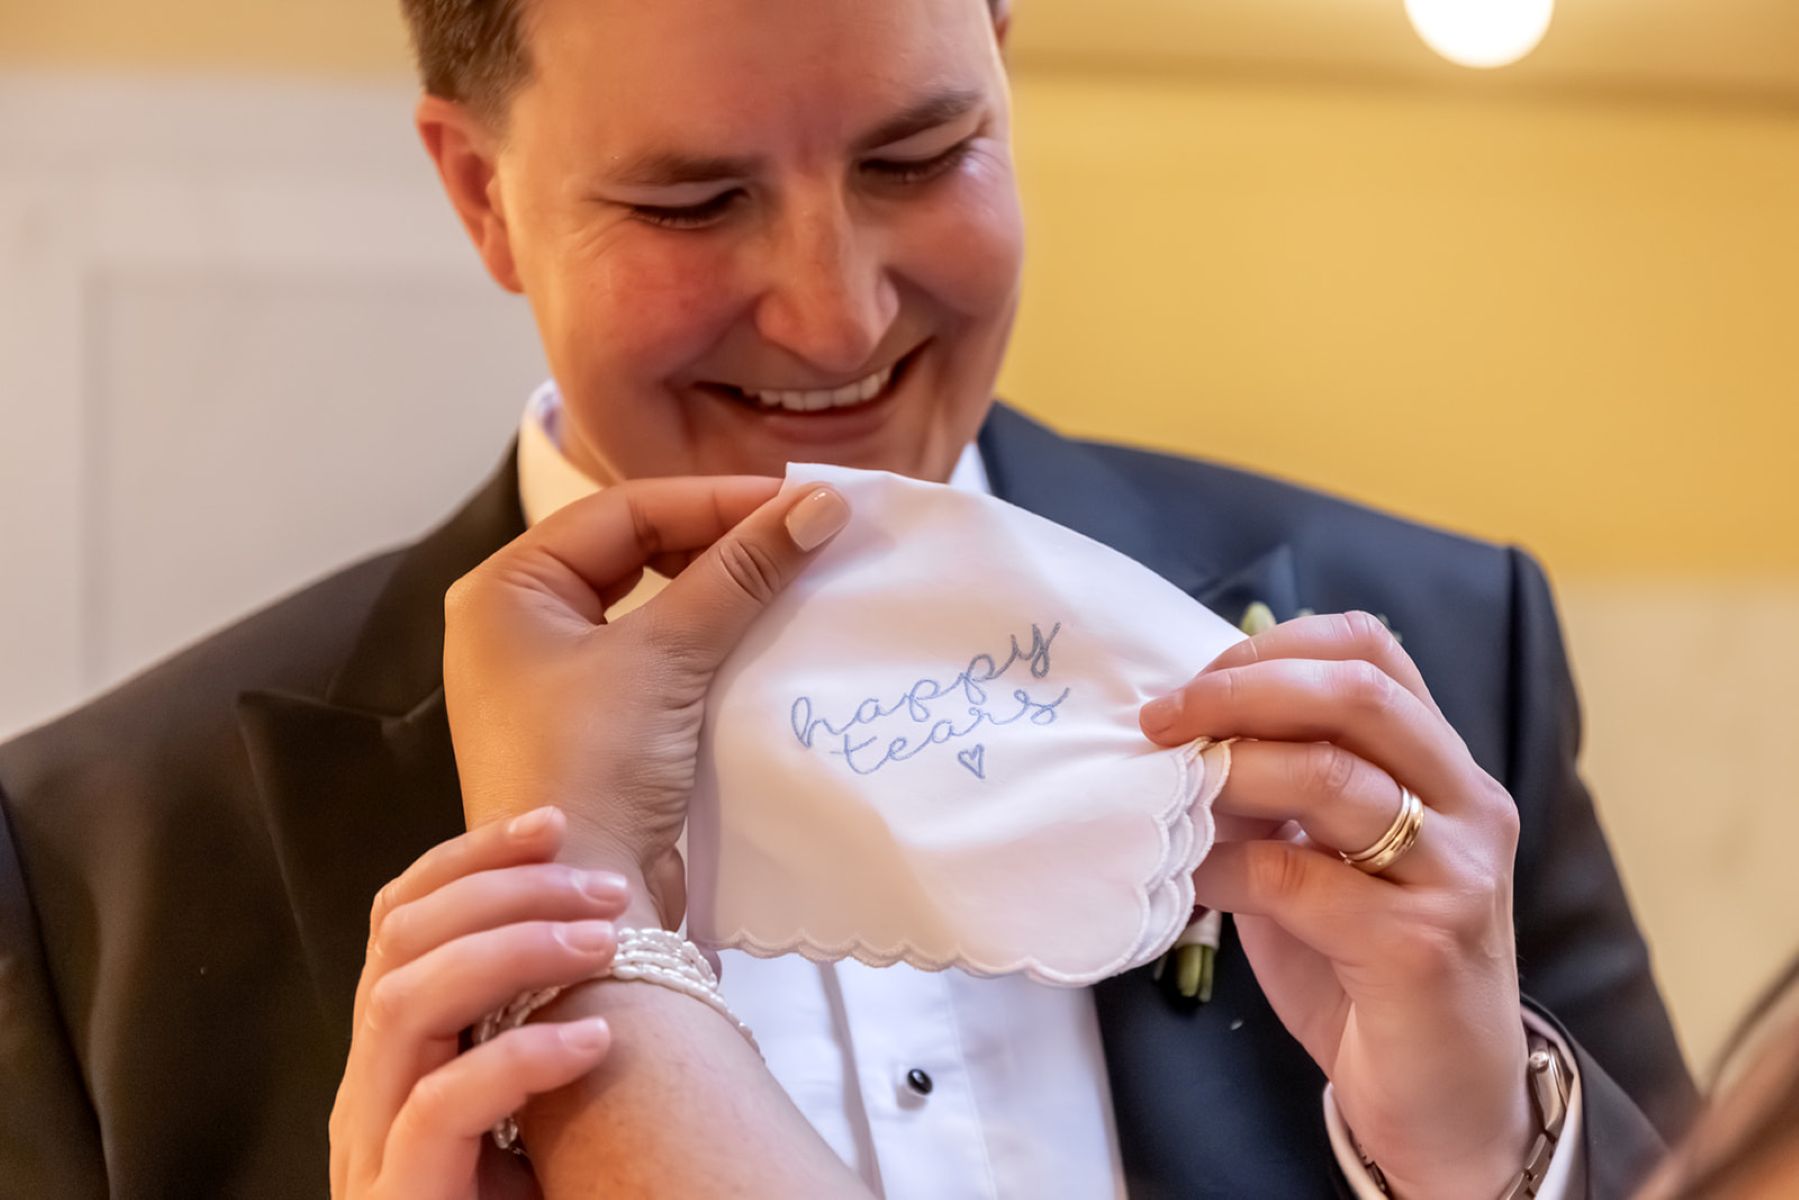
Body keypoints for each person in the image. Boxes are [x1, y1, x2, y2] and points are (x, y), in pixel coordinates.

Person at [0, 0, 1697, 1196]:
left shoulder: (1441, 638)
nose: (837, 316)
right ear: (480, 194)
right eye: (693, 201)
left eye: (920, 156)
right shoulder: (95, 869)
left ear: (1005, 62)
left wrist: (1497, 1155)